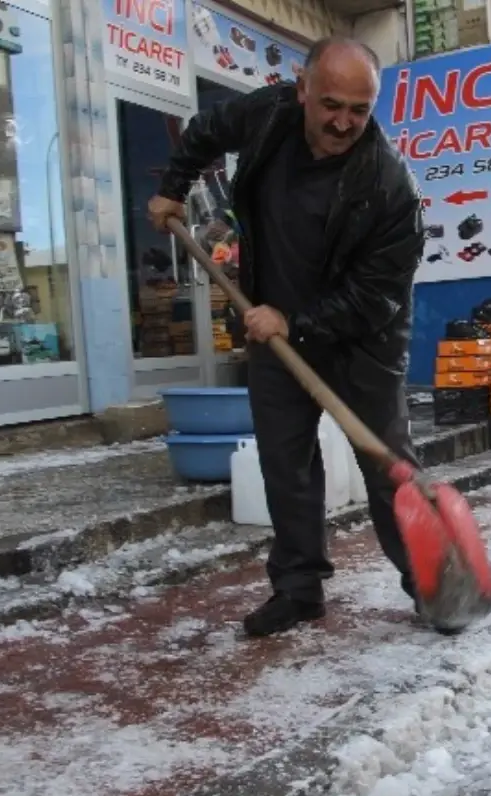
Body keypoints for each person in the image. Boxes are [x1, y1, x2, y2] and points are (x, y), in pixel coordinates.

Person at [147, 36, 427, 637]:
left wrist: (295, 322)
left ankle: (430, 583)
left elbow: (374, 297)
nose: (343, 122)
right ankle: (298, 589)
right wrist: (174, 186)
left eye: (360, 109)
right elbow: (203, 132)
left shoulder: (390, 188)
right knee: (285, 464)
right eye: (331, 104)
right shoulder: (267, 115)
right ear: (301, 90)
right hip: (271, 329)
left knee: (387, 469)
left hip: (361, 341)